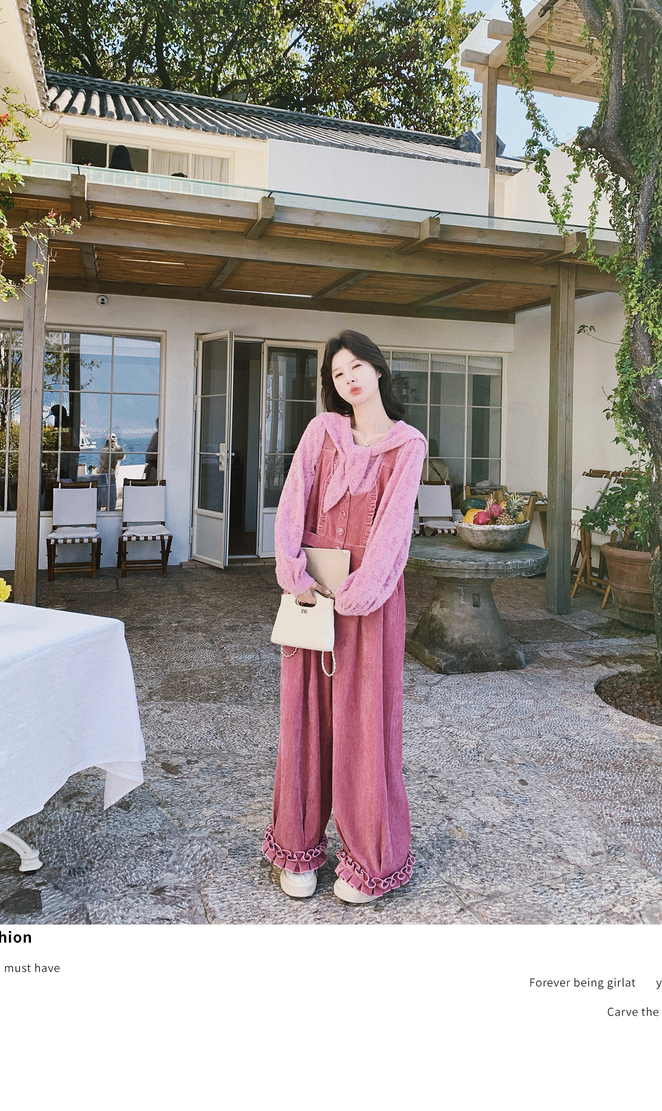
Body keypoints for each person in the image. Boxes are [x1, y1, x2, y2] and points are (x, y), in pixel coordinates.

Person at [264, 330, 427, 904]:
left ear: (378, 369)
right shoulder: (321, 432)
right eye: (338, 373)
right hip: (311, 591)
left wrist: (358, 593)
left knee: (364, 723)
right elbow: (292, 502)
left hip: (371, 599)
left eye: (357, 366)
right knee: (303, 717)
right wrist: (294, 574)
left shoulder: (407, 445)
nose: (349, 378)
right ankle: (298, 845)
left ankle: (369, 856)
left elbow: (394, 531)